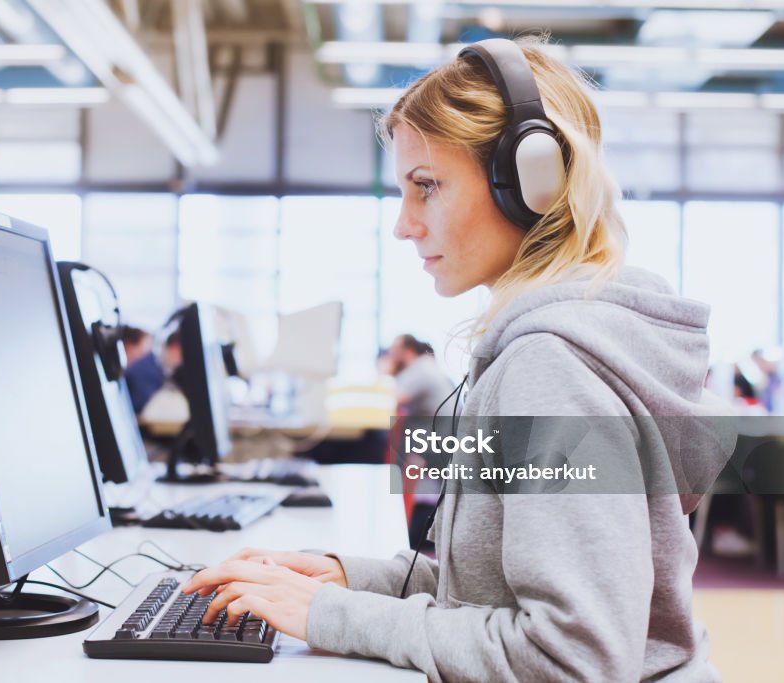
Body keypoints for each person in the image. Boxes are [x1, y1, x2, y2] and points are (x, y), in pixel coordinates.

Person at [182, 36, 729, 681]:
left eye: (427, 187)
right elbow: (488, 593)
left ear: (530, 184)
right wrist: (343, 579)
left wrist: (332, 615)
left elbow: (573, 658)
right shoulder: (561, 345)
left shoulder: (551, 367)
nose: (404, 224)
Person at [387, 333, 455, 417]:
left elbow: (395, 399)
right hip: (442, 423)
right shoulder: (424, 363)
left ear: (408, 350)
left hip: (435, 425)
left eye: (395, 348)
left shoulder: (420, 369)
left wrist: (386, 373)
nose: (391, 353)